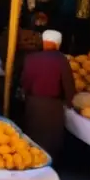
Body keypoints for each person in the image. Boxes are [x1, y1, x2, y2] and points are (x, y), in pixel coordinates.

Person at [21, 30, 76, 158]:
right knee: (51, 139)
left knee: (33, 133)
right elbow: (68, 83)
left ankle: (30, 159)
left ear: (43, 43)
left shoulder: (31, 58)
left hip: (33, 103)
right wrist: (69, 101)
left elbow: (25, 81)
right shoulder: (61, 59)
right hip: (52, 106)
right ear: (57, 44)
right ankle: (47, 163)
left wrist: (27, 97)